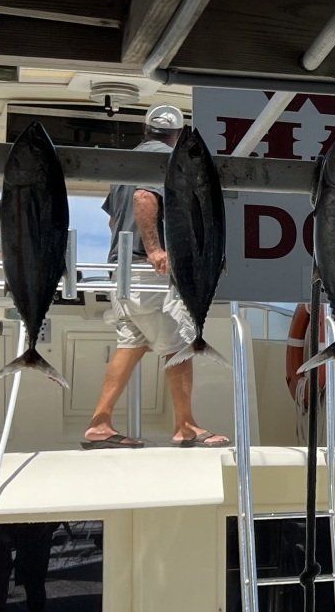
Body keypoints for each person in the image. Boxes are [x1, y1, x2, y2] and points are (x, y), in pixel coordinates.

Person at [82, 103, 231, 448]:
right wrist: (154, 249)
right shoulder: (165, 160)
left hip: (122, 270)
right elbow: (145, 198)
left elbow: (112, 218)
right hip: (148, 271)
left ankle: (99, 423)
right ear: (177, 135)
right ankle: (186, 427)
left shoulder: (127, 163)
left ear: (146, 130)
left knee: (131, 344)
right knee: (179, 344)